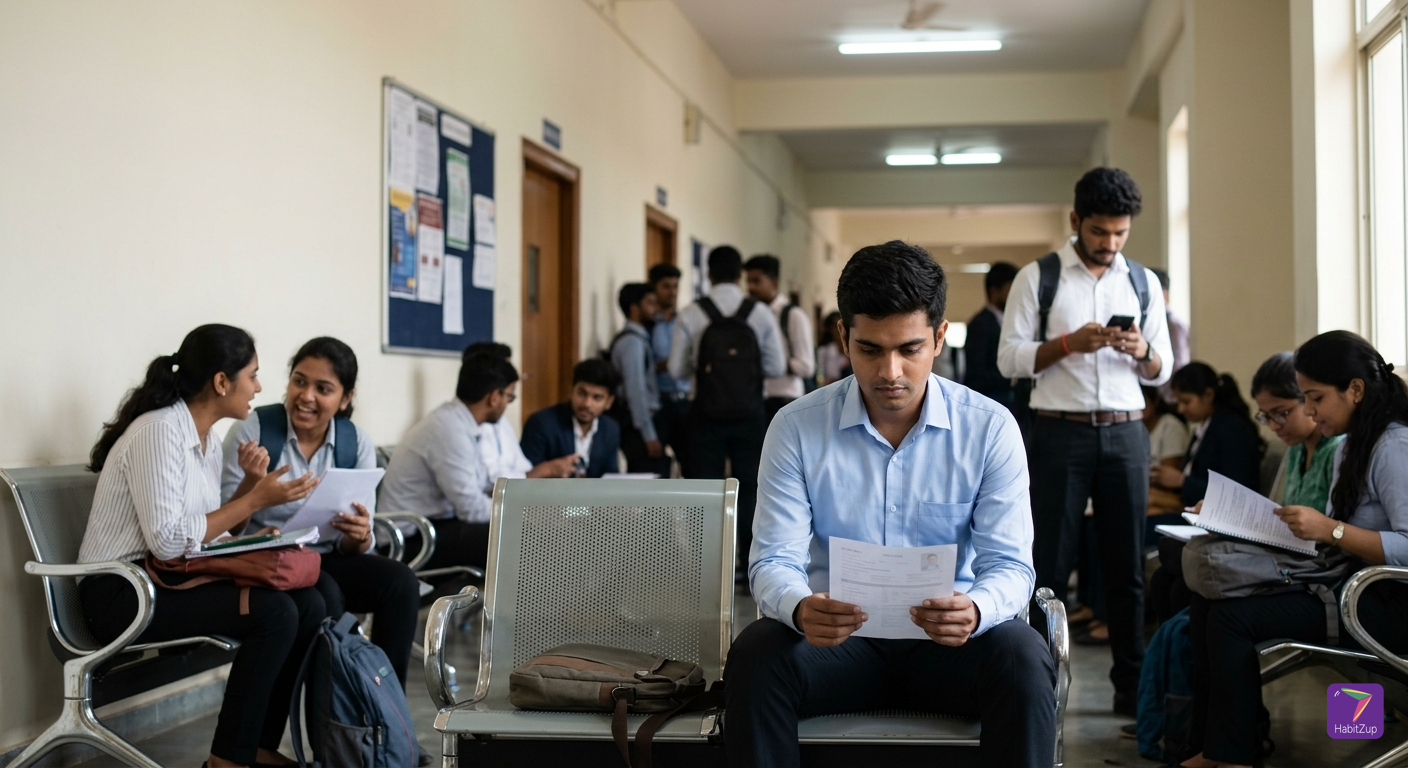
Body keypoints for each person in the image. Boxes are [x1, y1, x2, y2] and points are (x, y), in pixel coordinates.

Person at [727, 241, 1055, 766]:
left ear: (940, 338)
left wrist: (976, 610)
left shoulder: (989, 429)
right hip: (836, 648)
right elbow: (771, 561)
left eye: (910, 349)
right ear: (843, 337)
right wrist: (799, 607)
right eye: (870, 350)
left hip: (949, 648)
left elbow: (1011, 566)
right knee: (757, 655)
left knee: (1021, 654)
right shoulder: (796, 427)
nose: (891, 373)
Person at [77, 324, 326, 768]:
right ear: (221, 382)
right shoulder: (159, 432)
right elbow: (170, 541)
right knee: (275, 613)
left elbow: (202, 532)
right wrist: (255, 498)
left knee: (306, 602)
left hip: (168, 578)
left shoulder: (205, 437)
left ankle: (257, 746)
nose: (258, 386)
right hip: (120, 591)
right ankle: (226, 761)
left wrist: (250, 505)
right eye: (252, 375)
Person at [1181, 331, 1408, 768]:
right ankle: (1210, 748)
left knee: (1231, 620)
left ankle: (1232, 756)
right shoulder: (1355, 443)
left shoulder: (1393, 446)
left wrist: (1331, 530)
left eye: (1315, 398)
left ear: (1355, 390)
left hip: (1386, 602)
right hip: (1350, 585)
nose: (1309, 411)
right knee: (1208, 602)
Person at [996, 167, 1174, 715]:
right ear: (1076, 221)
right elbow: (1010, 360)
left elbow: (1162, 369)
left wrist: (1140, 349)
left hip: (1125, 432)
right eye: (1099, 232)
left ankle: (1131, 692)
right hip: (1058, 432)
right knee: (1047, 563)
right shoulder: (1039, 277)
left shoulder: (1143, 283)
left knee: (1125, 571)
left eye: (1119, 234)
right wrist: (1069, 343)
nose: (1110, 244)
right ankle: (1036, 688)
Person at [221, 337, 421, 691]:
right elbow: (227, 530)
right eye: (299, 381)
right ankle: (331, 721)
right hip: (269, 562)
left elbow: (356, 545)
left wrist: (359, 534)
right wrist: (254, 484)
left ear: (345, 399)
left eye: (323, 388)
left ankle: (389, 708)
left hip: (327, 557)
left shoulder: (355, 441)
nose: (307, 396)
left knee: (400, 582)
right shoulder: (255, 430)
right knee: (325, 593)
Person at [669, 245, 787, 571]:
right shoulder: (760, 313)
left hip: (704, 414)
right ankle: (749, 565)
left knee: (704, 487)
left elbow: (677, 369)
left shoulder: (692, 313)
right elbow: (777, 366)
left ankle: (706, 566)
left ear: (708, 274)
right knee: (750, 487)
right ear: (740, 275)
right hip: (750, 413)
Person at [379, 351, 518, 571]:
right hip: (412, 538)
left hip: (436, 526)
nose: (507, 403)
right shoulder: (448, 429)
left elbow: (478, 489)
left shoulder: (461, 424)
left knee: (514, 531)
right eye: (509, 397)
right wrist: (518, 514)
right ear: (494, 397)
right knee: (512, 536)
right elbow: (470, 508)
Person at [1153, 362, 1264, 508]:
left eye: (1186, 401)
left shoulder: (1232, 431)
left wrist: (1182, 481)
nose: (1180, 409)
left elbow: (1235, 493)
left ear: (1208, 395)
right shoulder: (1206, 427)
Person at [463, 341, 578, 480]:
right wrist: (546, 470)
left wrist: (547, 471)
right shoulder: (465, 426)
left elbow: (523, 466)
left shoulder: (502, 422)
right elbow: (490, 482)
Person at [520, 358, 622, 478]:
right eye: (582, 393)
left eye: (597, 398)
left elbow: (611, 477)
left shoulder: (610, 429)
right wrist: (551, 469)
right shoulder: (541, 423)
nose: (587, 404)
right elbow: (524, 478)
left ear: (609, 402)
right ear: (571, 390)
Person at [744, 254, 816, 420]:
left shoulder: (792, 316)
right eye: (748, 281)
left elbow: (807, 366)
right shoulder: (749, 315)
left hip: (785, 399)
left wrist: (774, 361)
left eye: (757, 281)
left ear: (774, 281)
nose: (751, 287)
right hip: (755, 399)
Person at [610, 282, 669, 477]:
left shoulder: (640, 339)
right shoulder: (631, 343)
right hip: (638, 428)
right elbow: (636, 392)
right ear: (634, 308)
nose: (655, 309)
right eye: (650, 303)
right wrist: (649, 435)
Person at [648, 262, 695, 475]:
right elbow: (643, 364)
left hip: (684, 400)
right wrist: (667, 365)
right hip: (658, 403)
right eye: (666, 286)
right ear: (654, 288)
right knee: (657, 464)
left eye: (675, 286)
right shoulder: (647, 323)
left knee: (691, 462)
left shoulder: (685, 320)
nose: (672, 292)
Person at [963, 261, 1019, 413]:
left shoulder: (1011, 322)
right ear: (994, 291)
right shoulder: (980, 324)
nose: (1016, 296)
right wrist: (1013, 377)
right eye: (1011, 289)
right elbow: (977, 374)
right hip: (988, 404)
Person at [1151, 267, 1192, 405]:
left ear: (1165, 294)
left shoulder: (1174, 325)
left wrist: (1172, 398)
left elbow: (1180, 363)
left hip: (1170, 400)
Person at [815, 310, 850, 385]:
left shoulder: (850, 345)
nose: (837, 330)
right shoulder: (825, 349)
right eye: (834, 326)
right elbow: (821, 372)